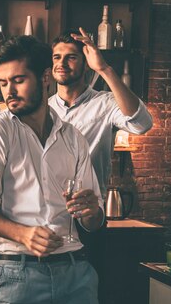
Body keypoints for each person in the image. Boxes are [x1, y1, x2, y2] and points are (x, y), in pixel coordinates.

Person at [0, 35, 107, 304]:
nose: (9, 91)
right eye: (3, 83)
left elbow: (93, 221)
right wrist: (24, 235)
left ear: (45, 77)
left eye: (18, 80)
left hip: (75, 271)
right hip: (16, 273)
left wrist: (91, 210)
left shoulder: (73, 137)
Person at [49, 28, 153, 195]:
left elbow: (142, 124)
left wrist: (104, 69)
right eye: (57, 57)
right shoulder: (44, 109)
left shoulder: (106, 103)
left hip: (91, 212)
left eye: (71, 57)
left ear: (86, 65)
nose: (61, 63)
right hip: (48, 211)